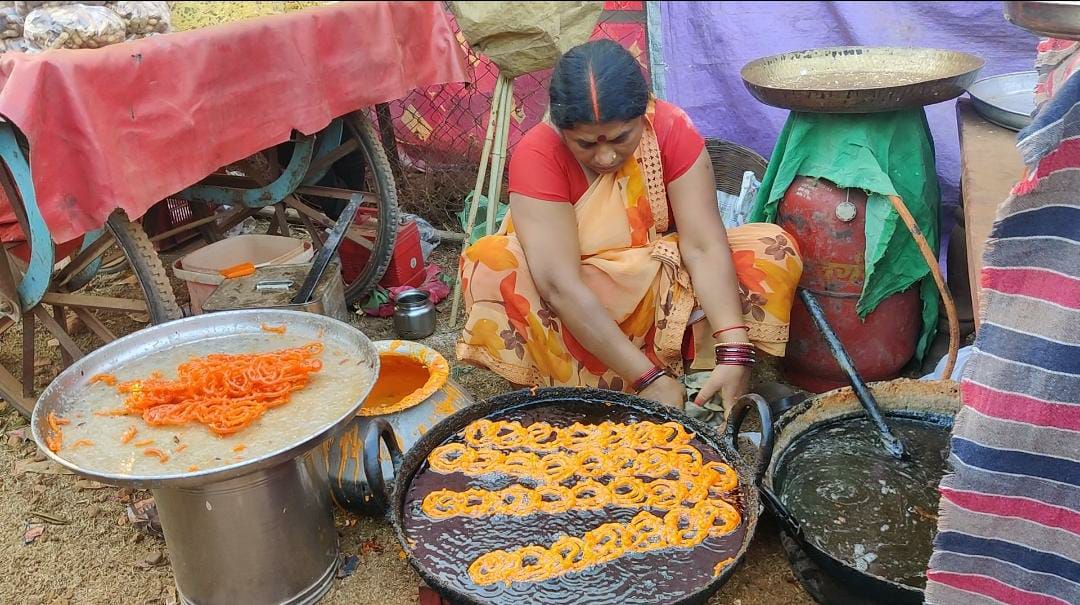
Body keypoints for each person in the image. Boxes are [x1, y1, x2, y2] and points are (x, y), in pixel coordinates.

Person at [457, 40, 802, 411]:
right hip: (577, 306)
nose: (605, 156)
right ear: (561, 129)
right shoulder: (539, 152)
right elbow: (559, 286)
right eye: (586, 144)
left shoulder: (669, 128)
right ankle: (595, 386)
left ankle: (705, 380)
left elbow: (703, 245)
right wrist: (648, 379)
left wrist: (735, 349)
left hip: (661, 290)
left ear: (644, 111)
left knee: (768, 247)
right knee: (490, 261)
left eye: (621, 138)